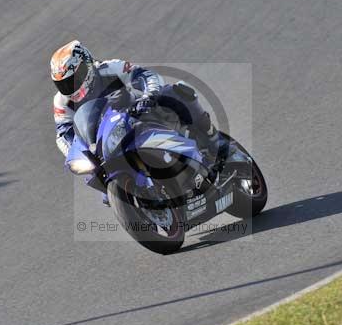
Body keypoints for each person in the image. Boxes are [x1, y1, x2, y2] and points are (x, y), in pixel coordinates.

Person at [50, 40, 224, 203]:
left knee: (175, 92)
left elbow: (146, 75)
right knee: (106, 195)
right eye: (63, 84)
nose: (70, 86)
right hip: (104, 144)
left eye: (74, 78)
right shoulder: (62, 102)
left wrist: (149, 96)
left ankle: (212, 140)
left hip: (138, 116)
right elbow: (64, 135)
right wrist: (78, 154)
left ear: (87, 65)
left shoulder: (109, 69)